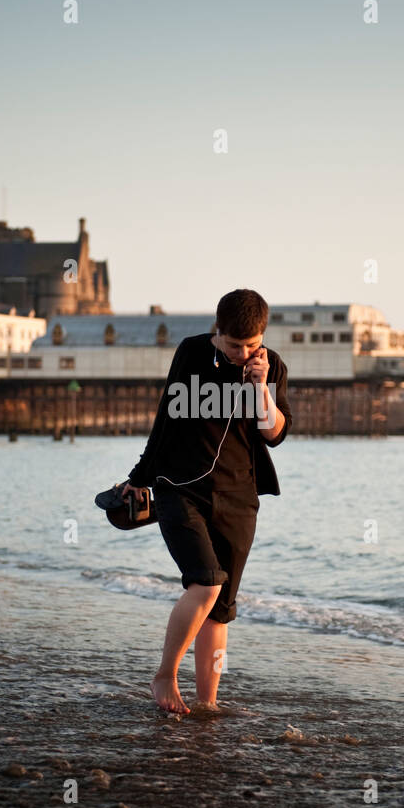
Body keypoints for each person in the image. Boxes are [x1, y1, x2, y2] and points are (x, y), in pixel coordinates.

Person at [120, 289, 292, 714]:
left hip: (239, 496)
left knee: (221, 609)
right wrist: (138, 477)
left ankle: (207, 704)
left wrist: (260, 388)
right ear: (219, 332)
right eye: (235, 345)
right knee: (206, 582)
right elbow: (165, 418)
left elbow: (276, 433)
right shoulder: (190, 352)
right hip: (179, 488)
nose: (243, 353)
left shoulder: (271, 367)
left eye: (252, 345)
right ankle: (164, 675)